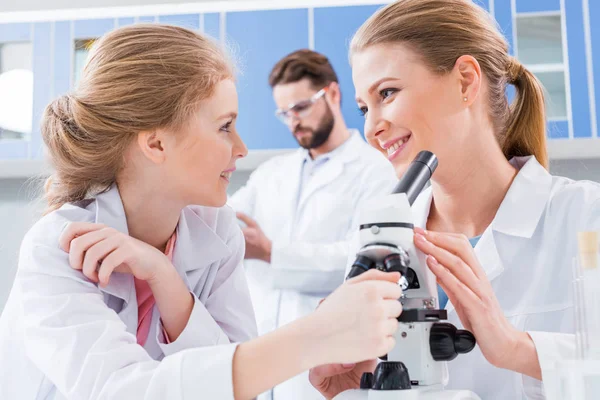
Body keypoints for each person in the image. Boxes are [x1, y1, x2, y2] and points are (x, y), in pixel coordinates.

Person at [0, 24, 404, 400]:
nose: (241, 147)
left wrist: (166, 279)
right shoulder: (57, 248)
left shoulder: (216, 228)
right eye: (225, 126)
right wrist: (315, 337)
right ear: (156, 145)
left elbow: (233, 384)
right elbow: (123, 390)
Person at [309, 0, 600, 399]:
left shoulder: (586, 216)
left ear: (464, 81)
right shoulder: (382, 236)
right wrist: (354, 389)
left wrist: (515, 347)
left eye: (387, 93)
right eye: (363, 108)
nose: (371, 127)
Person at [228, 48, 396, 400]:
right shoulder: (271, 174)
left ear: (333, 94)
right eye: (284, 113)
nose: (293, 121)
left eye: (301, 107)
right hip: (260, 363)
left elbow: (366, 263)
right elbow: (224, 222)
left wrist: (273, 253)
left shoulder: (376, 170)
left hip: (330, 367)